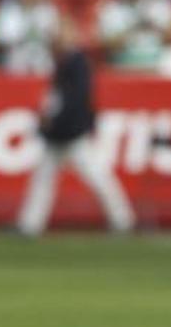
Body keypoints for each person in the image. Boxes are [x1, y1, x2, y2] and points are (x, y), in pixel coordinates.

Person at [15, 19, 136, 237]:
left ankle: (122, 220)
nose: (55, 40)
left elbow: (76, 100)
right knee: (44, 179)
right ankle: (29, 225)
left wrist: (56, 122)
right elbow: (59, 99)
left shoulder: (77, 62)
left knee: (97, 177)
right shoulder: (63, 62)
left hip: (72, 134)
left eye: (60, 35)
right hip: (60, 134)